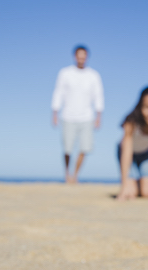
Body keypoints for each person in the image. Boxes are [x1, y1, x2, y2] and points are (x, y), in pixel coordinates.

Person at [52, 45, 104, 183]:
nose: (81, 58)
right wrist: (55, 112)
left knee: (85, 147)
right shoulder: (65, 73)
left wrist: (99, 116)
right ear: (75, 56)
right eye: (79, 55)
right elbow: (58, 92)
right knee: (67, 148)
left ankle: (75, 175)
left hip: (87, 117)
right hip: (68, 116)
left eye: (84, 55)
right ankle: (67, 173)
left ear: (87, 57)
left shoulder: (93, 75)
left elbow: (98, 96)